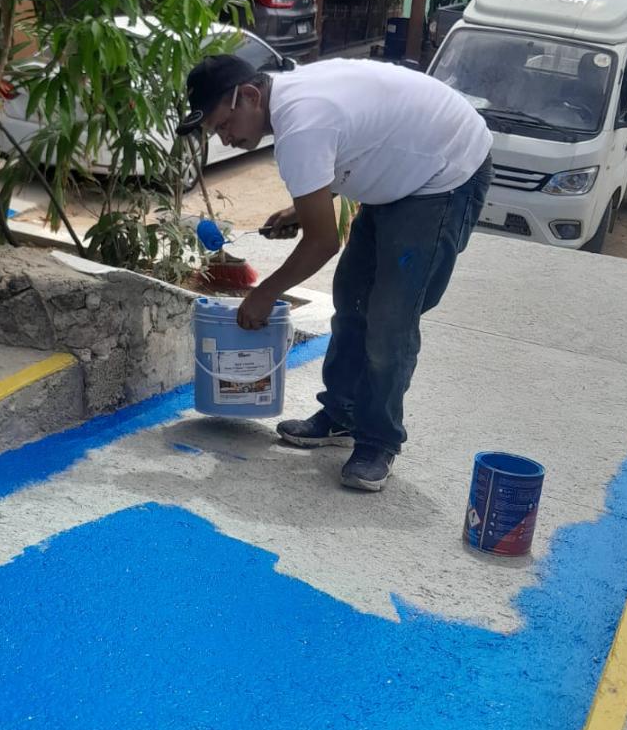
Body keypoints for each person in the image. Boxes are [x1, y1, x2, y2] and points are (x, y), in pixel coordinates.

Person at [176, 53, 493, 492]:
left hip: (445, 171)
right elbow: (356, 142)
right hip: (404, 167)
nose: (225, 139)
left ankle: (379, 440)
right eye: (216, 132)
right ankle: (342, 414)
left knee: (390, 318)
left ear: (249, 95)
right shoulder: (290, 101)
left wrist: (265, 293)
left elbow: (323, 242)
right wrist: (303, 210)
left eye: (224, 125)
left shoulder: (300, 124)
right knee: (352, 296)